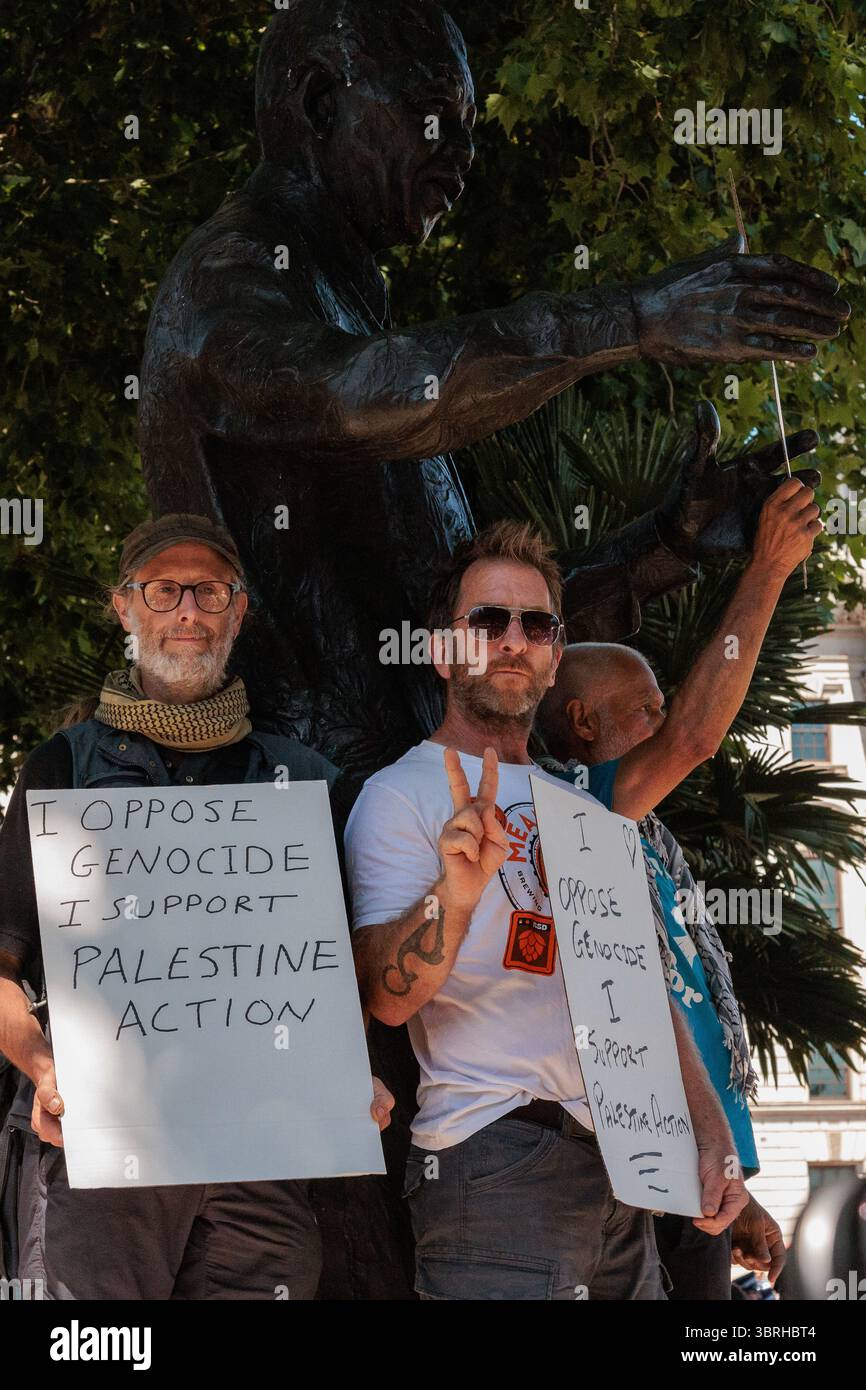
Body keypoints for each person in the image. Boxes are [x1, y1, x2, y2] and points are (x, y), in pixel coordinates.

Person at [139, 0, 848, 781]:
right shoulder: (232, 271)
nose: (464, 151)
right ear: (319, 101)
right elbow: (354, 396)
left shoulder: (345, 305)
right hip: (311, 830)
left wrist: (669, 544)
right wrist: (629, 317)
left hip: (418, 815)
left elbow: (487, 635)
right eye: (432, 113)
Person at [346, 520, 752, 1301]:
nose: (512, 639)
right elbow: (386, 998)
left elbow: (644, 989)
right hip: (494, 1161)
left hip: (628, 1164)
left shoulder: (585, 808)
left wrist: (710, 1132)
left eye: (536, 624)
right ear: (441, 650)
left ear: (554, 656)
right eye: (487, 621)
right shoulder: (400, 795)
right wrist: (456, 893)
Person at [0, 513, 393, 1300]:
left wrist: (355, 1074)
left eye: (210, 591)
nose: (188, 609)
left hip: (263, 1161)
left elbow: (344, 967)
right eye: (163, 589)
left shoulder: (305, 780)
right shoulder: (61, 769)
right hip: (101, 1151)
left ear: (238, 611)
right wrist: (42, 1069)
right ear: (125, 608)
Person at [535, 474, 823, 1296]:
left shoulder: (647, 840)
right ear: (583, 724)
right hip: (637, 1160)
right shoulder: (575, 803)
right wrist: (766, 569)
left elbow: (690, 1018)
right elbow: (697, 735)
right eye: (646, 707)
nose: (664, 722)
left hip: (693, 1171)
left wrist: (743, 1198)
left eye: (662, 708)